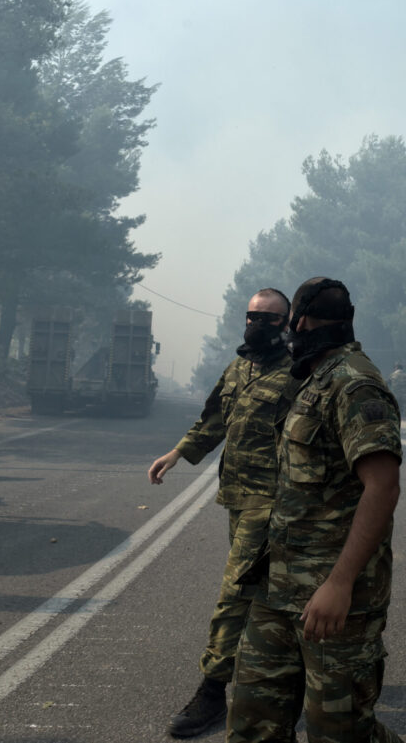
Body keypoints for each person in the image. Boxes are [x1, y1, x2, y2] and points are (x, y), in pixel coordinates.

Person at [229, 277, 404, 743]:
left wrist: (340, 584)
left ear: (300, 322)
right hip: (278, 589)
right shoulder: (312, 377)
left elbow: (383, 486)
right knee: (251, 722)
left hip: (332, 600)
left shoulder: (354, 384)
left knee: (340, 733)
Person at [146, 289, 296, 738]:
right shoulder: (239, 368)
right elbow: (214, 419)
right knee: (263, 593)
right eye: (253, 315)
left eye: (271, 318)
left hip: (273, 504)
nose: (259, 323)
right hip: (237, 498)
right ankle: (283, 674)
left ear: (287, 323)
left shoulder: (298, 373)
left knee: (235, 593)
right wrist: (177, 453)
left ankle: (212, 691)